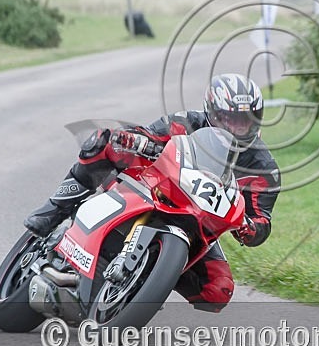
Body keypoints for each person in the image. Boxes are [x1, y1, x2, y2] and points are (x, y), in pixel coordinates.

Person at [24, 73, 280, 312]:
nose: (236, 128)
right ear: (212, 112)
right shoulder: (186, 122)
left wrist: (251, 229)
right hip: (155, 188)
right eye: (229, 119)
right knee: (104, 141)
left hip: (199, 223)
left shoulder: (264, 168)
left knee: (218, 290)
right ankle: (54, 210)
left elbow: (262, 220)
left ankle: (148, 280)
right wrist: (134, 140)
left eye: (244, 121)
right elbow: (150, 135)